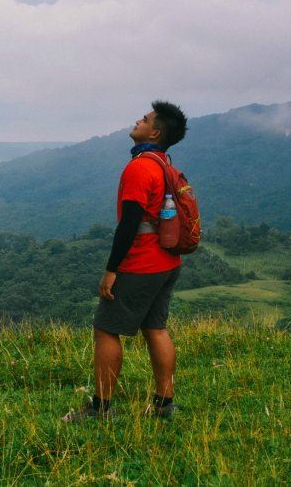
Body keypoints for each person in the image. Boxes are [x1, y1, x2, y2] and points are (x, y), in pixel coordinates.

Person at [71, 100, 188, 421]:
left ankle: (101, 409)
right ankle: (164, 404)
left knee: (106, 328)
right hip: (168, 262)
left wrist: (112, 271)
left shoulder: (140, 167)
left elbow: (129, 223)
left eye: (145, 119)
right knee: (156, 327)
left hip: (142, 262)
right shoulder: (165, 164)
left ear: (156, 131)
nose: (138, 120)